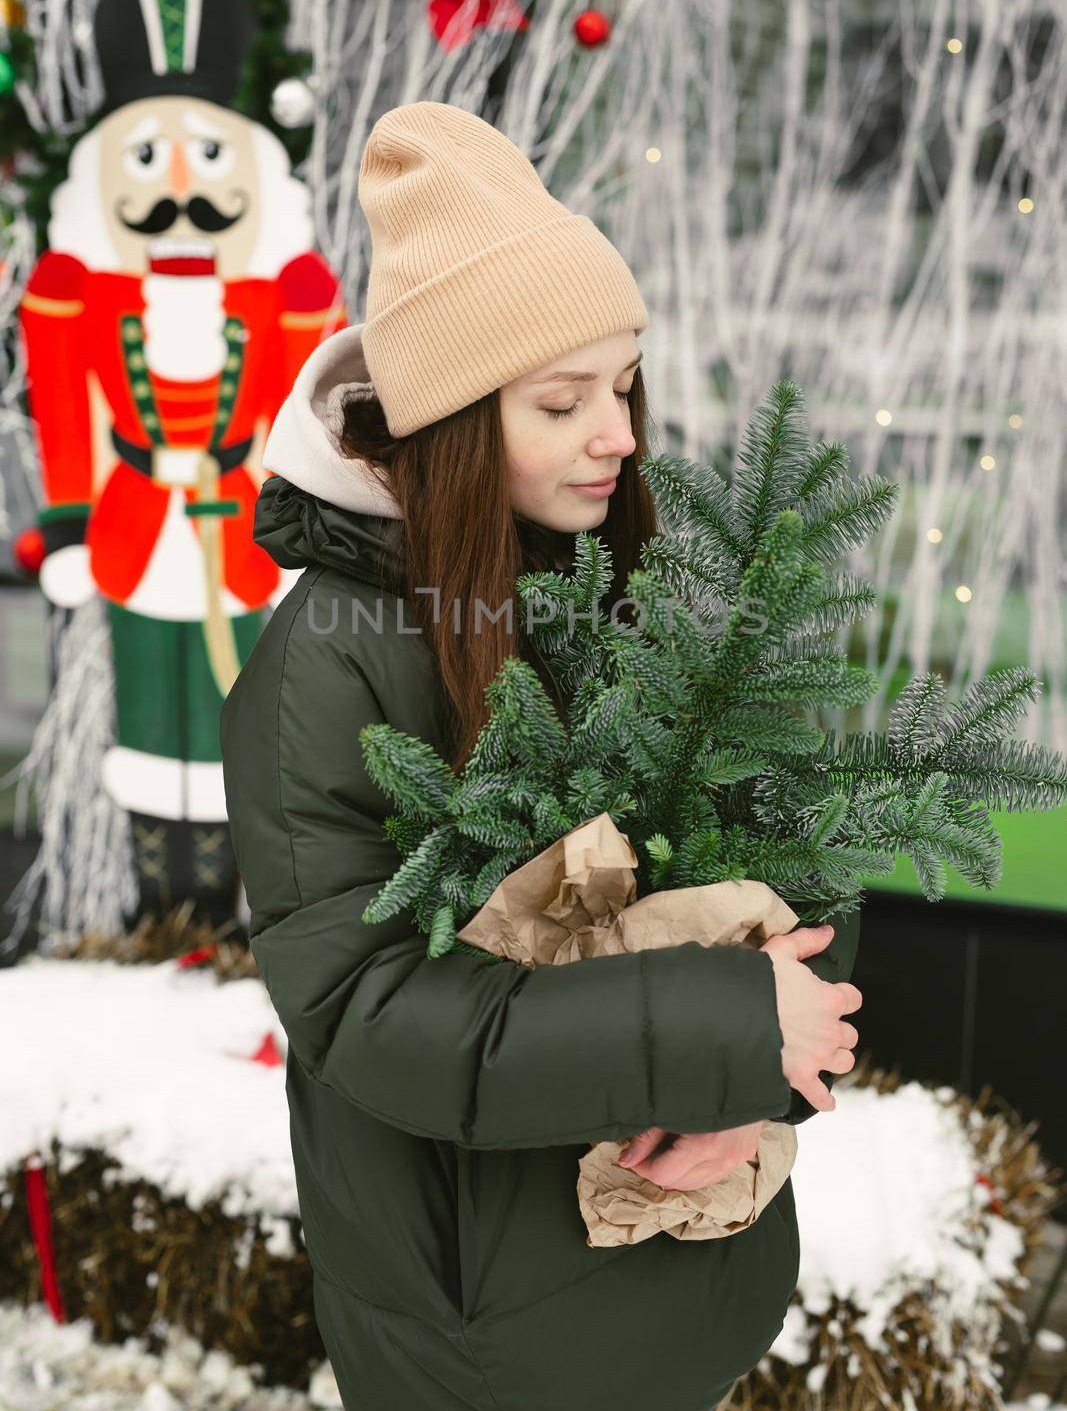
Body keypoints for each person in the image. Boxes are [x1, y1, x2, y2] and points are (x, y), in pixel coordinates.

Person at [219, 101, 863, 1411]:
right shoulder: (330, 664)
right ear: (452, 424)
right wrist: (724, 1029)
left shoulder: (629, 594)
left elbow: (788, 857)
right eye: (562, 400)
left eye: (623, 384)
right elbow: (366, 1010)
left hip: (685, 1254)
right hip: (481, 1323)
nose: (619, 433)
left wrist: (756, 1079)